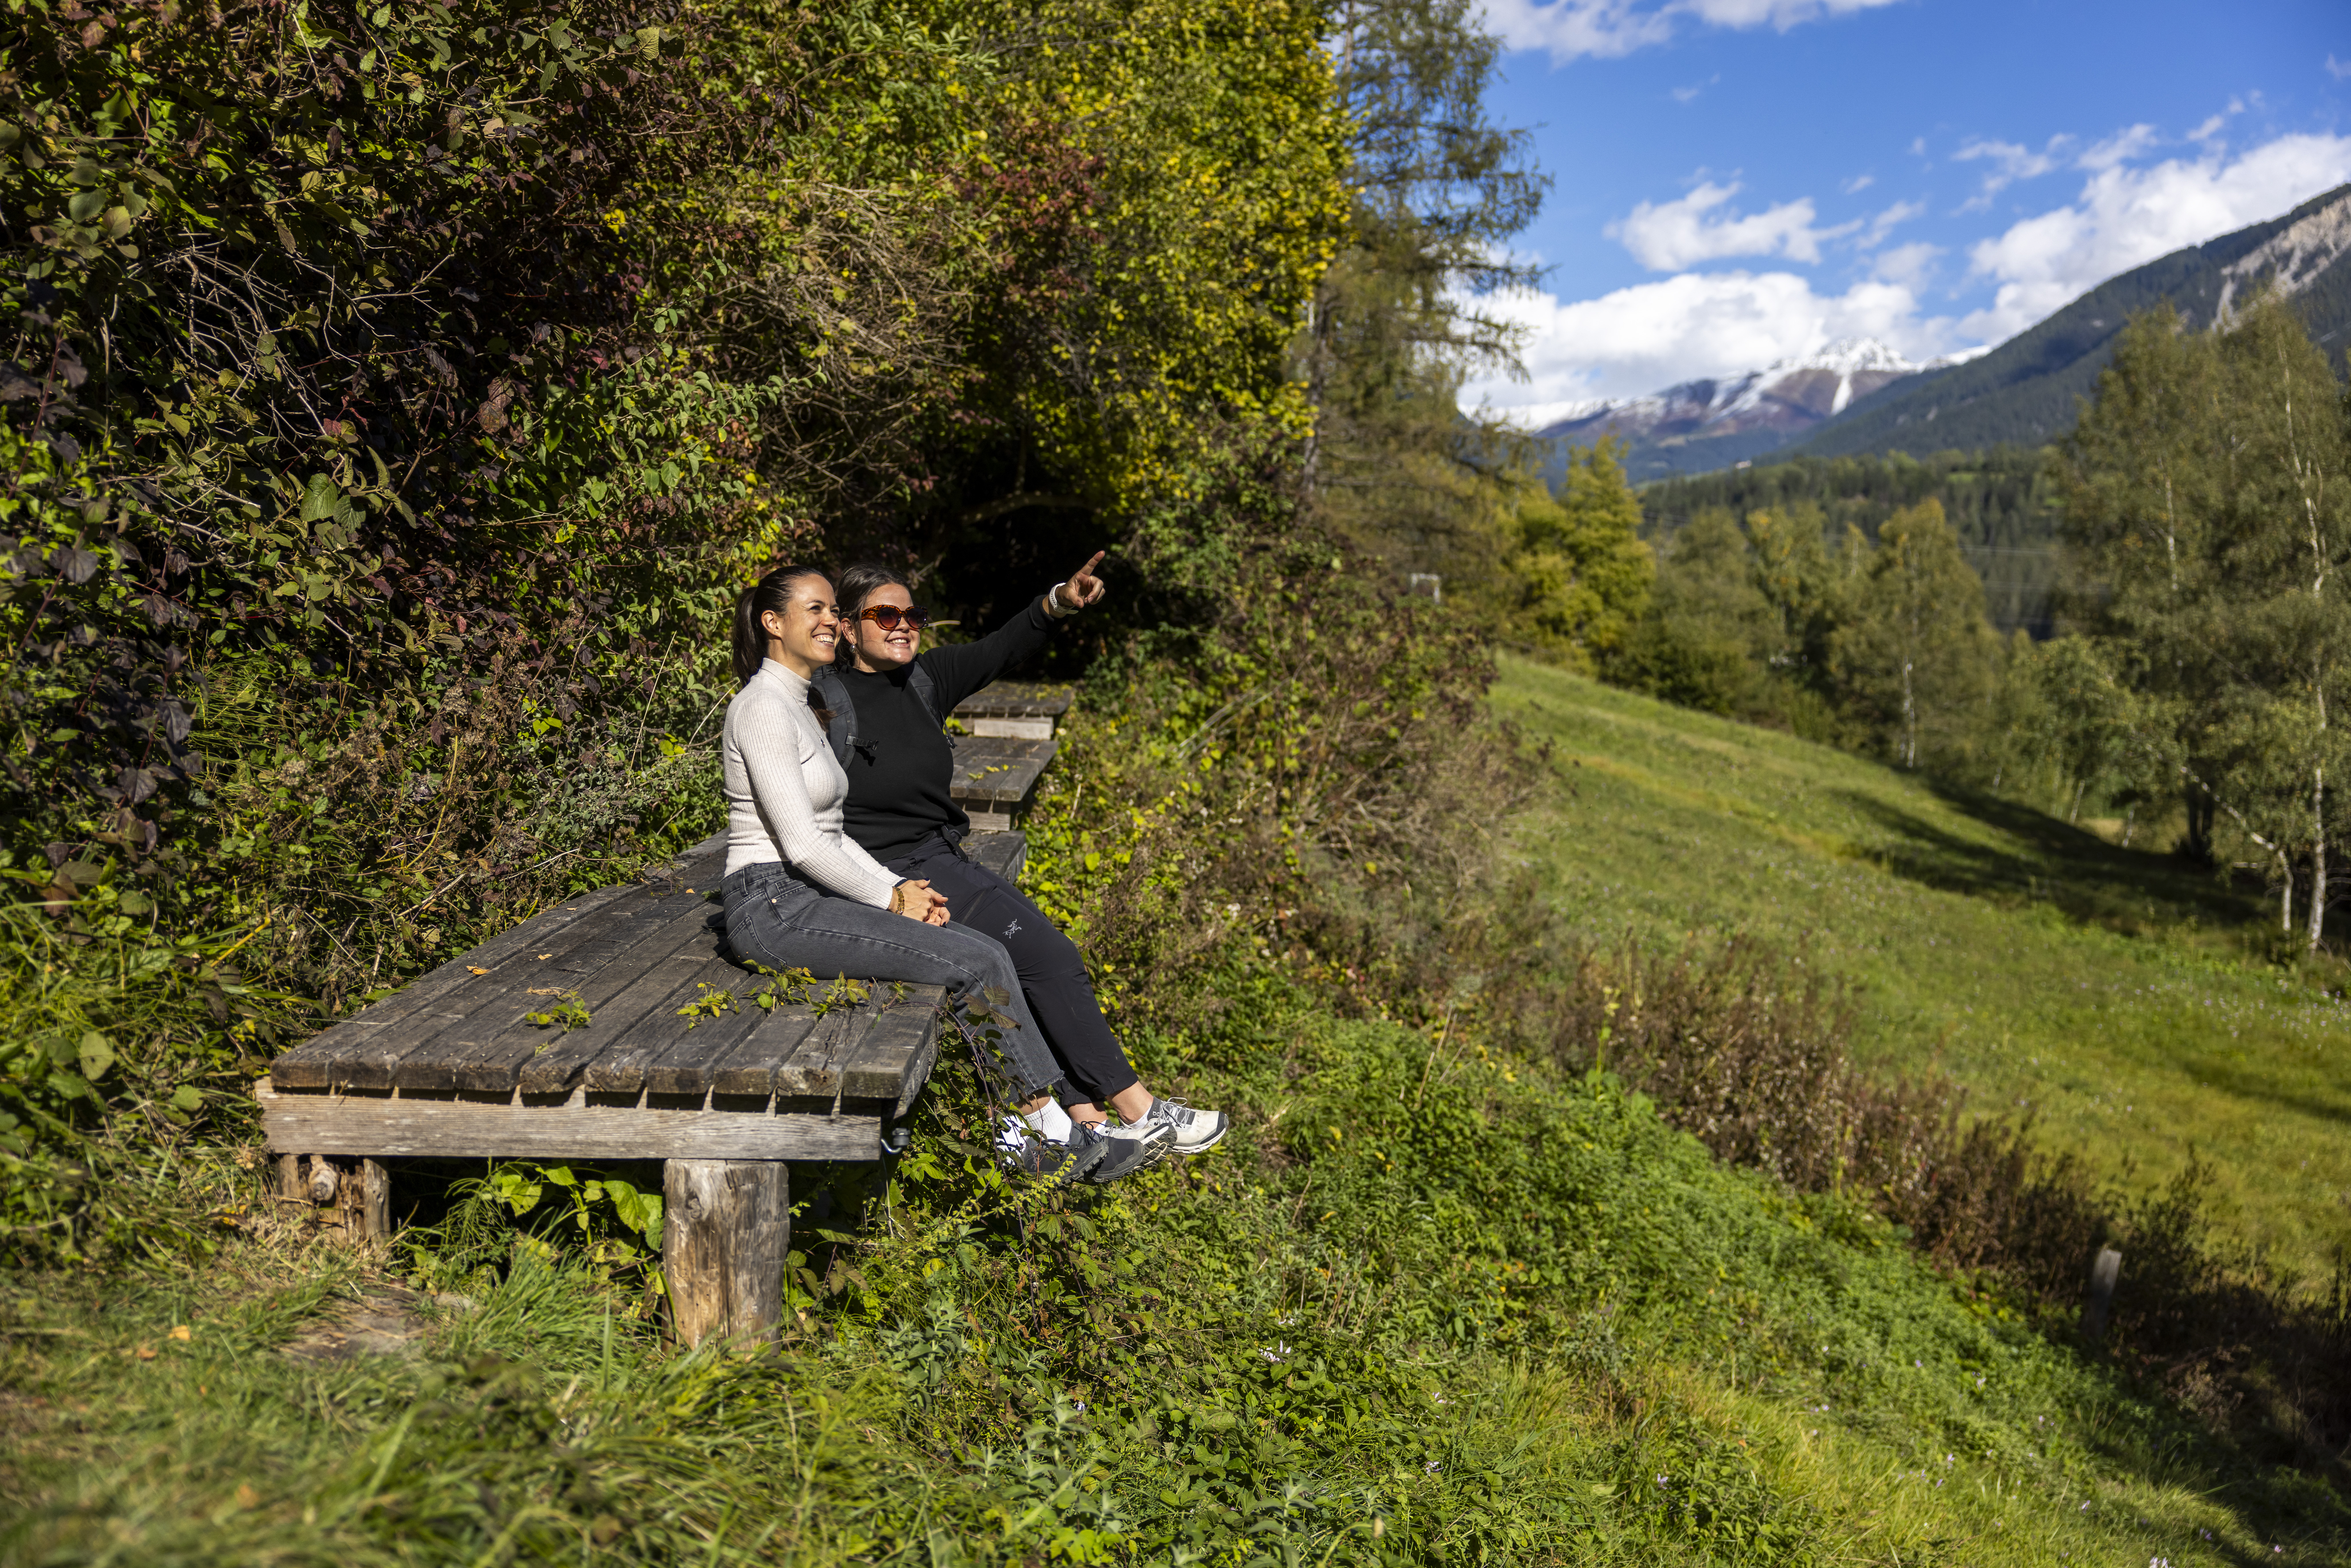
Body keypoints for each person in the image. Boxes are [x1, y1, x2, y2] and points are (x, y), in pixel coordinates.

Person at [718, 565, 1154, 1183]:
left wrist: (903, 890)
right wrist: (890, 896)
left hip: (799, 895)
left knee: (985, 949)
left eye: (829, 610)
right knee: (975, 964)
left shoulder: (799, 703)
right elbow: (802, 843)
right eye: (813, 610)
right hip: (770, 905)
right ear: (773, 623)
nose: (826, 620)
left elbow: (834, 833)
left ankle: (1052, 1127)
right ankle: (1040, 1133)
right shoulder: (762, 706)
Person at [818, 554, 1227, 1167]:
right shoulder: (823, 696)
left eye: (912, 614)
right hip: (884, 871)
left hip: (939, 853)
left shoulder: (928, 677)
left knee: (1038, 953)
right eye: (885, 614)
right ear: (848, 627)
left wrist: (1061, 598)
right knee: (1046, 955)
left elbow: (1003, 647)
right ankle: (1138, 1110)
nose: (903, 625)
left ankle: (1088, 1119)